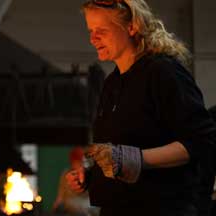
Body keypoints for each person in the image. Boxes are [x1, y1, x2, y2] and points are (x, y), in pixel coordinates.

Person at [65, 0, 216, 215]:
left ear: (132, 26)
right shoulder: (112, 84)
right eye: (91, 31)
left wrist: (136, 159)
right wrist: (92, 173)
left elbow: (200, 141)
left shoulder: (163, 72)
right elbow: (119, 150)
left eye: (102, 31)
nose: (93, 38)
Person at [53, 147, 99, 216]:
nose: (81, 164)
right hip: (71, 205)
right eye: (78, 162)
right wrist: (56, 206)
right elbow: (61, 195)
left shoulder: (90, 173)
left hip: (87, 204)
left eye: (82, 162)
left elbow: (93, 197)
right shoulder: (66, 174)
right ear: (72, 161)